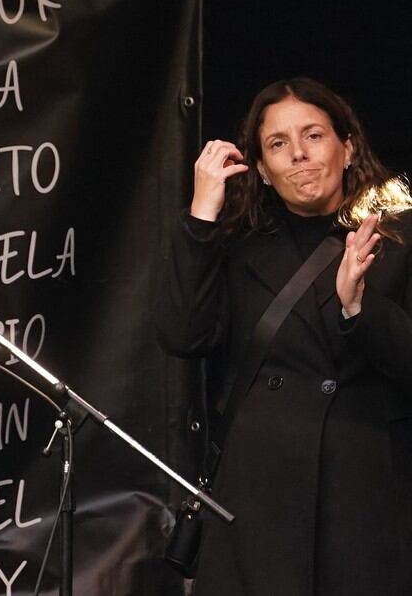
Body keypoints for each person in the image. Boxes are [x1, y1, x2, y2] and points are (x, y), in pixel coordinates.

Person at [155, 77, 412, 595]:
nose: (298, 154)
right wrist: (202, 214)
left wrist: (357, 308)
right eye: (277, 144)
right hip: (257, 501)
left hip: (363, 498)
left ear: (348, 147)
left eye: (314, 135)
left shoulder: (401, 238)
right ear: (264, 172)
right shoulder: (238, 246)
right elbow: (183, 335)